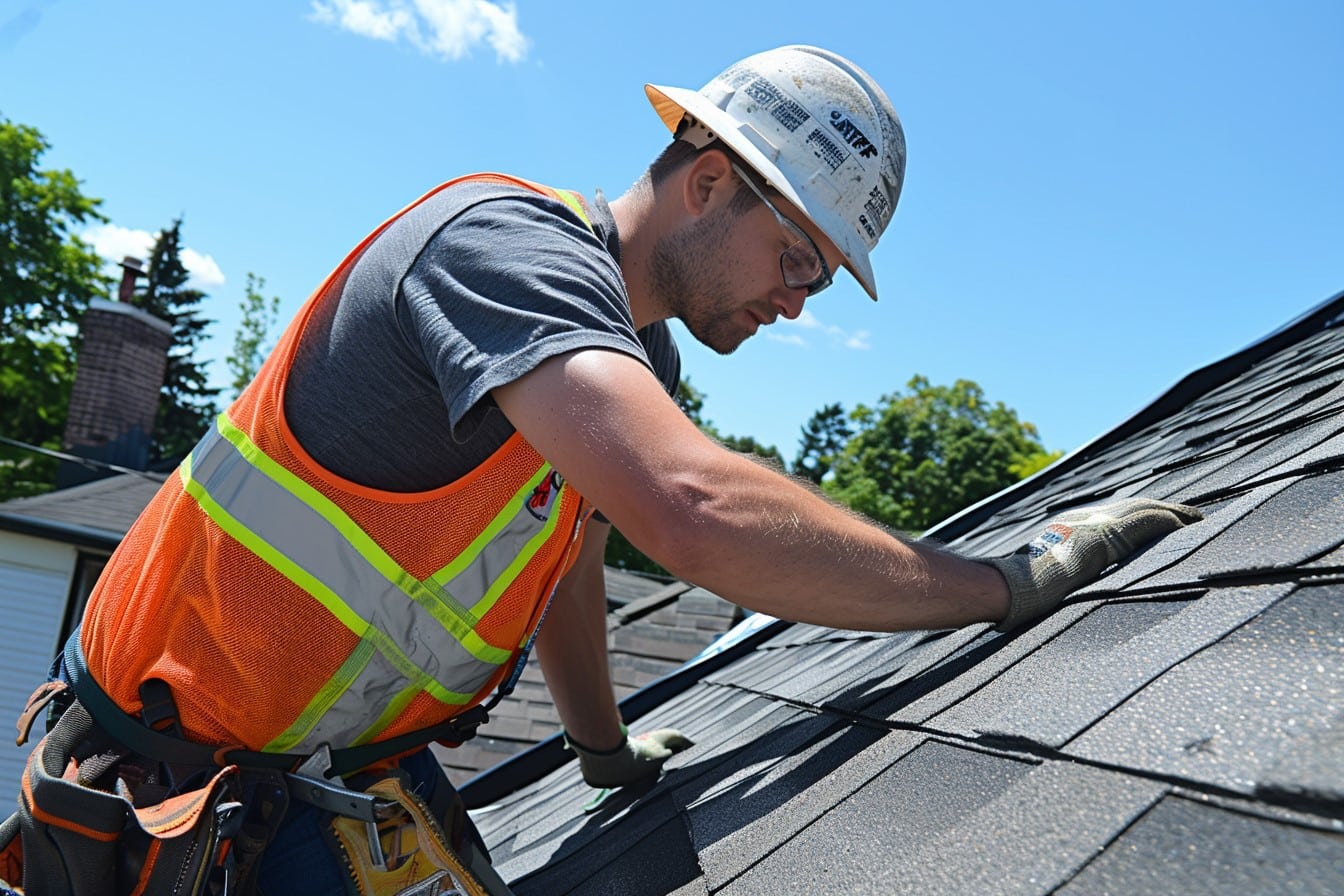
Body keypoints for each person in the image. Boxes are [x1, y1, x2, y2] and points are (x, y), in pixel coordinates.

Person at [1, 45, 1200, 895]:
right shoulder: (500, 248)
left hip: (317, 771)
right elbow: (690, 508)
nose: (797, 298)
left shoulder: (629, 362)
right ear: (710, 175)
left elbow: (562, 555)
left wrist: (600, 749)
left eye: (821, 279)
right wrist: (1007, 581)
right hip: (175, 784)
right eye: (796, 257)